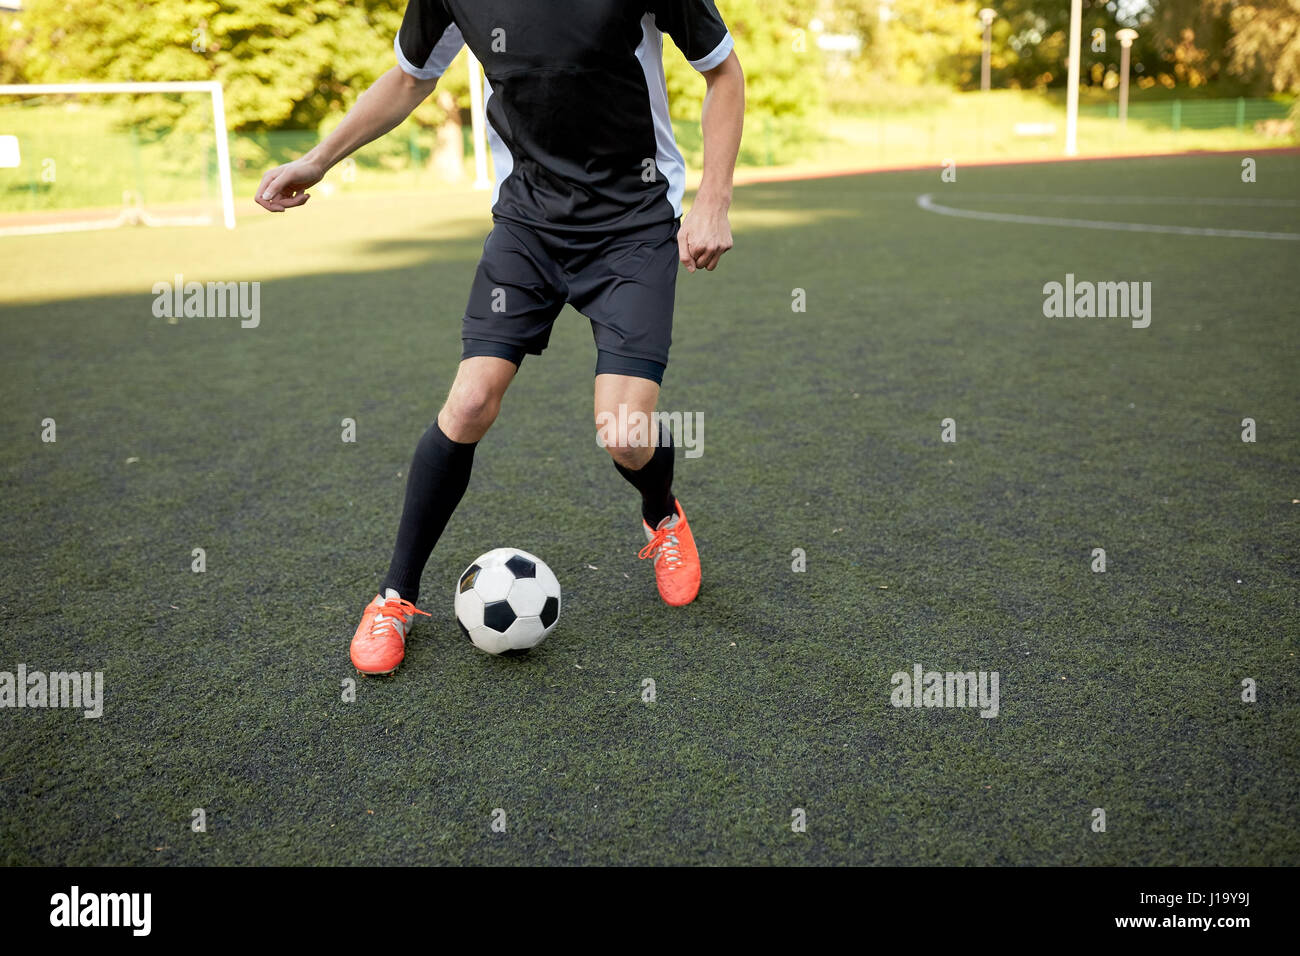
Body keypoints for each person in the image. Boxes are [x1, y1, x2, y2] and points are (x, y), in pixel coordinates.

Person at [255, 0, 745, 674]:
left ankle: (662, 516)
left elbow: (724, 73)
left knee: (625, 433)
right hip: (528, 226)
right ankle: (393, 596)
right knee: (469, 401)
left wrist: (713, 199)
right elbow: (408, 77)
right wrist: (317, 160)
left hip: (633, 226)